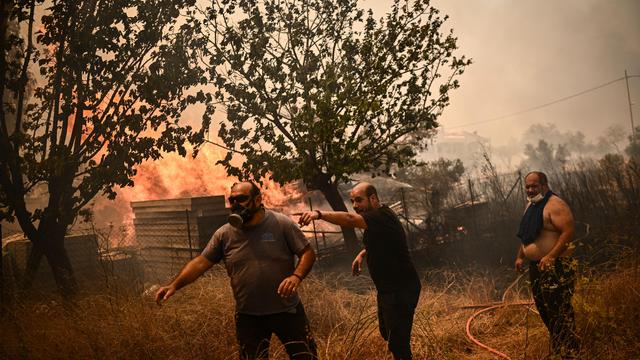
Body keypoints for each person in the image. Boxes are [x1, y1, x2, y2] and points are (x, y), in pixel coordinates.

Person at [155, 181, 317, 360]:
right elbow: (201, 262)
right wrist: (174, 285)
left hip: (287, 311)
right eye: (231, 200)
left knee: (305, 356)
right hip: (249, 316)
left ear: (257, 200)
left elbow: (307, 252)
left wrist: (296, 276)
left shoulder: (281, 223)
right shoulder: (224, 234)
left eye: (241, 199)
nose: (235, 204)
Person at [298, 182, 421, 360]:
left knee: (398, 344)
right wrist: (363, 253)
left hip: (401, 289)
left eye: (359, 200)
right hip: (388, 289)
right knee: (387, 333)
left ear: (373, 198)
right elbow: (382, 241)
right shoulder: (376, 220)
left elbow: (349, 220)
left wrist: (318, 214)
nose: (355, 206)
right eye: (352, 201)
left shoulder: (381, 216)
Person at [515, 171, 580, 358]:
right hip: (537, 266)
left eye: (534, 186)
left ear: (544, 185)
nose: (530, 189)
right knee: (543, 307)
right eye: (527, 186)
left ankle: (571, 352)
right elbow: (526, 234)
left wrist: (551, 256)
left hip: (557, 265)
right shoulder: (530, 205)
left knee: (559, 308)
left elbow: (568, 232)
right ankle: (560, 348)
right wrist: (521, 256)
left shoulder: (555, 205)